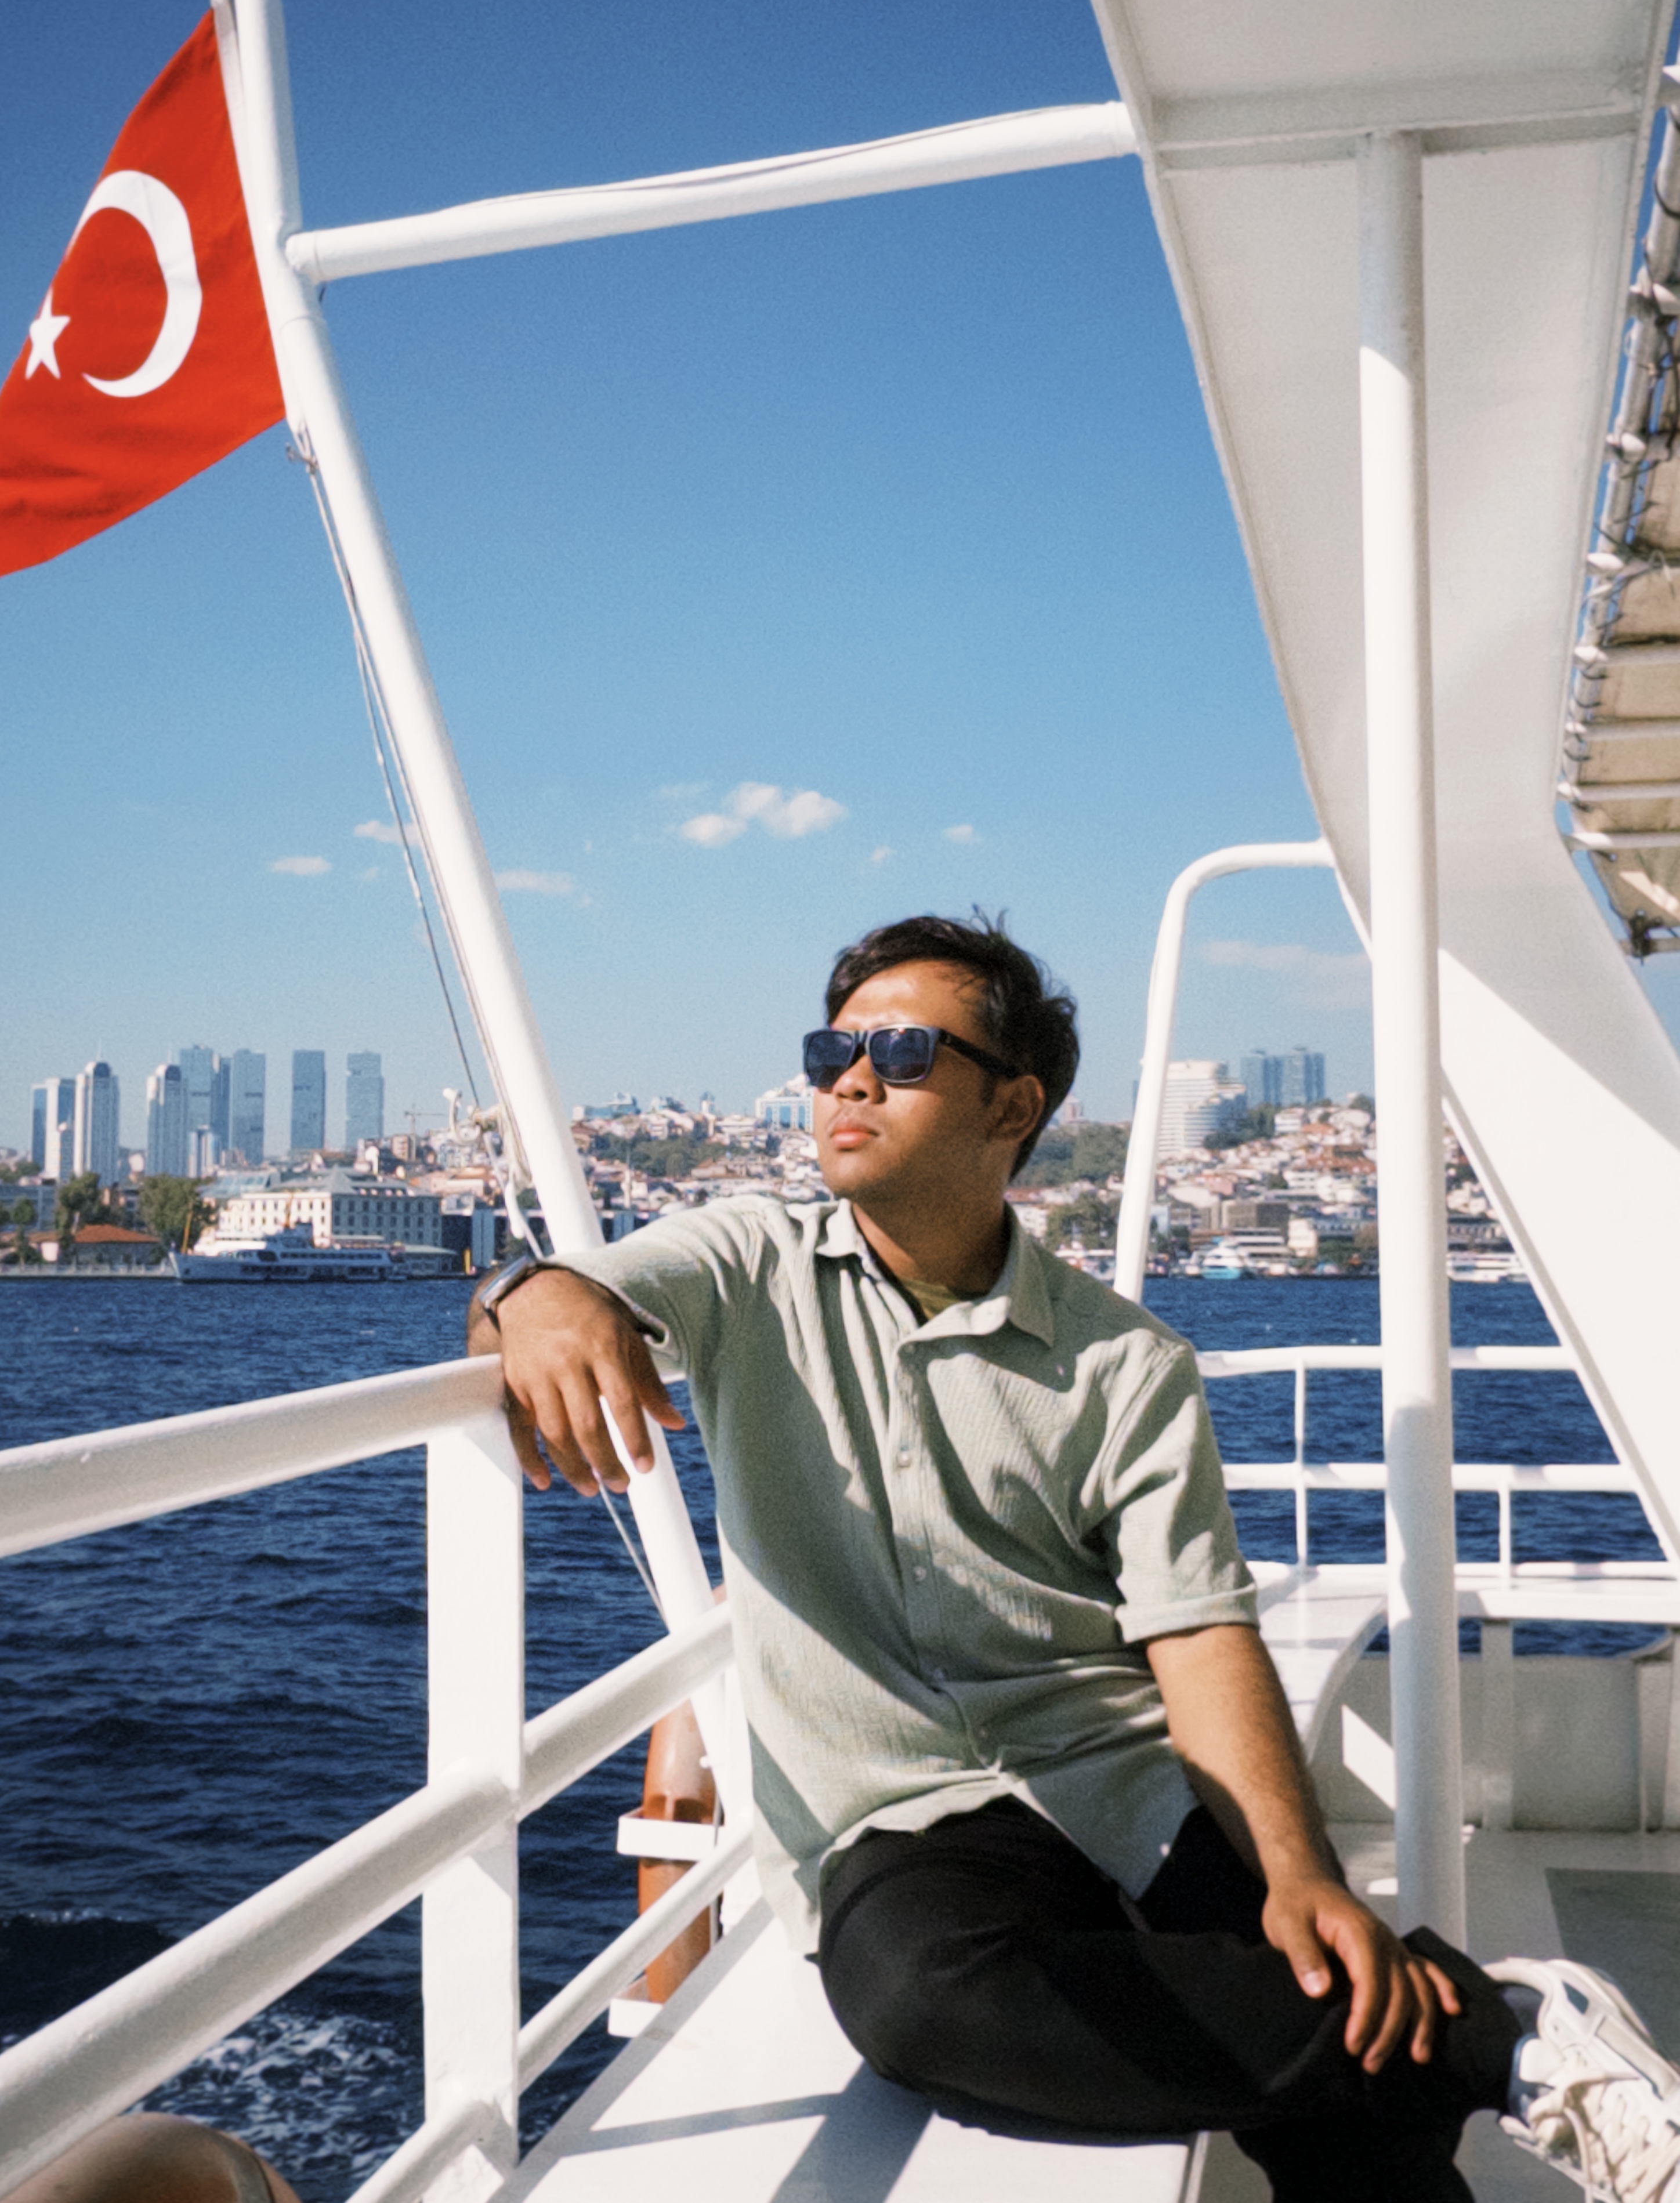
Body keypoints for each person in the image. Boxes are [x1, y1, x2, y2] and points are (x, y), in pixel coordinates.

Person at [468, 913, 1680, 2203]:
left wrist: (1298, 1872)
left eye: (901, 1051)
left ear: (1015, 1105)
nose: (850, 1080)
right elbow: (560, 1292)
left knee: (1354, 2104)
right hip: (902, 1817)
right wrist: (524, 1295)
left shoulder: (1126, 1363)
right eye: (832, 1051)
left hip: (1124, 1786)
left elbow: (1197, 1631)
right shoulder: (749, 1263)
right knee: (926, 2005)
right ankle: (1504, 2034)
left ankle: (1494, 2049)